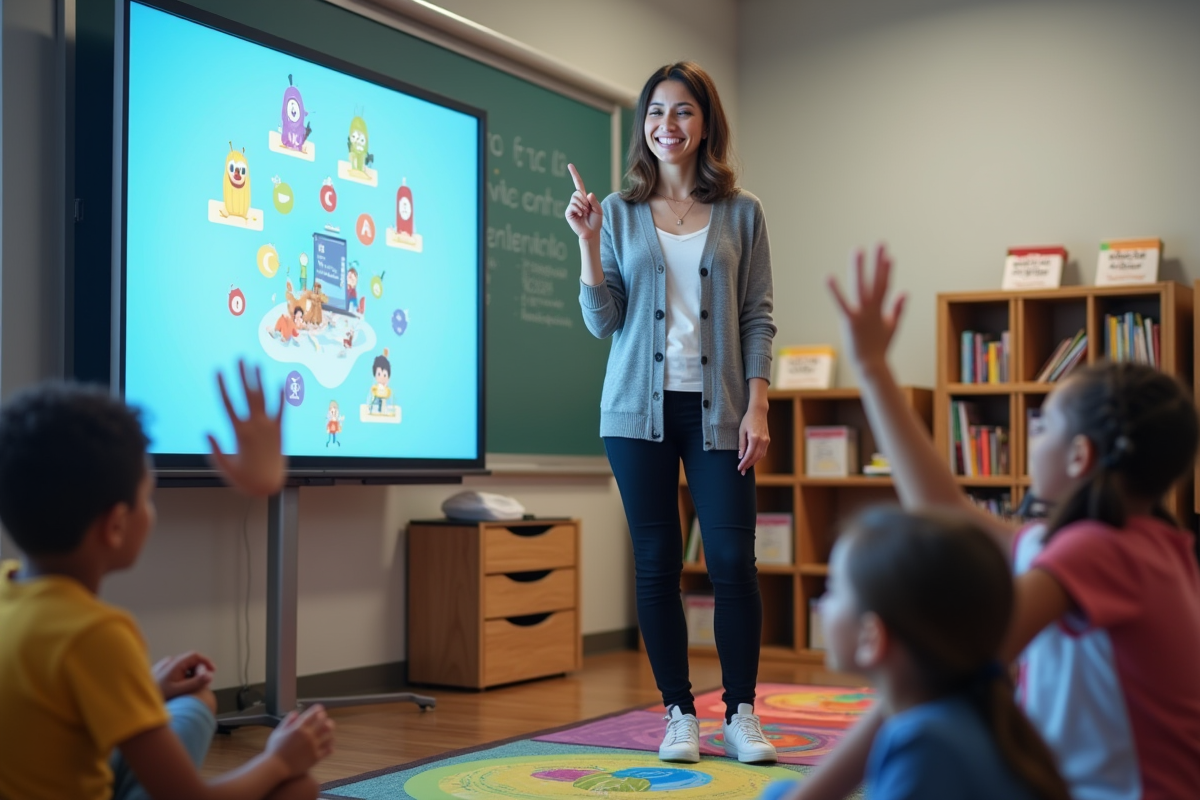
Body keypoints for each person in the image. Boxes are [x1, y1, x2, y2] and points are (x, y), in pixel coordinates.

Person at [787, 247, 1200, 800]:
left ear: (1080, 457)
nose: (1033, 434)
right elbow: (947, 511)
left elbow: (951, 666)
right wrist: (872, 369)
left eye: (1044, 422)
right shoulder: (1132, 545)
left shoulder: (1101, 552)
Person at [566, 62, 778, 764]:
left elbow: (756, 317)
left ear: (705, 122)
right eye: (656, 112)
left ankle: (741, 712)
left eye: (682, 111)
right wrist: (589, 245)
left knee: (730, 560)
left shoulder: (743, 212)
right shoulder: (618, 212)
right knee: (656, 563)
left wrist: (757, 406)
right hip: (635, 414)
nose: (667, 125)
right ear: (643, 126)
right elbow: (606, 322)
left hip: (720, 412)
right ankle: (678, 713)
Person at [0, 363, 333, 800]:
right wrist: (277, 759)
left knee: (198, 702)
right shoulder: (96, 634)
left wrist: (144, 690)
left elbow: (42, 710)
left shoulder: (9, 585)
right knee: (297, 787)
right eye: (147, 499)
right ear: (116, 525)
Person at [759, 508, 1069, 800]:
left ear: (872, 637)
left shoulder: (925, 745)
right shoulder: (968, 709)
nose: (823, 605)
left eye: (833, 589)